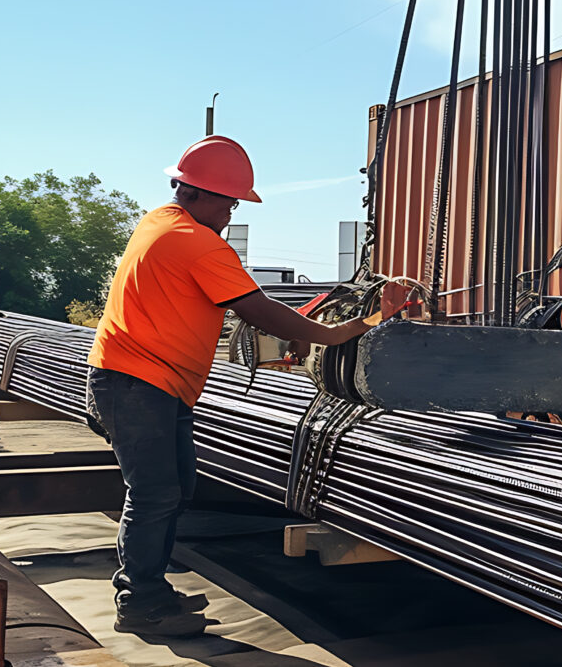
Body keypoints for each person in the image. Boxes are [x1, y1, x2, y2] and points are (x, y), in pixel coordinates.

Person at [85, 136, 373, 637]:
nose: (232, 212)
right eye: (229, 201)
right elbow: (255, 307)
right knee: (155, 494)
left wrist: (297, 325)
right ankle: (141, 603)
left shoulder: (160, 220)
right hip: (137, 383)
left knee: (175, 490)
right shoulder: (195, 241)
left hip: (149, 382)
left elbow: (240, 302)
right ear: (196, 193)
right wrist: (334, 333)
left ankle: (151, 586)